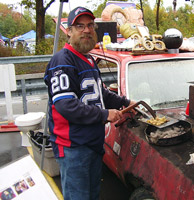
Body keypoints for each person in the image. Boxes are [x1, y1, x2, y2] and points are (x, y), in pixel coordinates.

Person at [44, 7, 136, 200]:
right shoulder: (62, 60)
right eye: (80, 26)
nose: (86, 30)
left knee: (92, 195)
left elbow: (98, 93)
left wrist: (126, 102)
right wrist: (105, 114)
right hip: (73, 148)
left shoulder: (89, 59)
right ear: (69, 31)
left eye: (90, 26)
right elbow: (66, 105)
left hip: (92, 145)